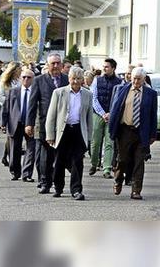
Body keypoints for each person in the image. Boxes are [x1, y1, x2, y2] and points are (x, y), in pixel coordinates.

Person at [109, 67, 158, 200]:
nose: (136, 81)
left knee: (139, 162)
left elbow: (153, 115)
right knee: (123, 160)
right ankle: (118, 180)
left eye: (139, 79)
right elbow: (114, 110)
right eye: (134, 78)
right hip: (125, 131)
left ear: (144, 79)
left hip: (142, 132)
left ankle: (136, 190)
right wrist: (112, 129)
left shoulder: (151, 94)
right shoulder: (121, 90)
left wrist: (153, 134)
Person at [45, 67, 93, 201]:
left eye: (78, 79)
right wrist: (50, 135)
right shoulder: (59, 93)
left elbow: (89, 117)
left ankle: (76, 190)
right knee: (59, 160)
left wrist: (89, 137)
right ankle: (58, 188)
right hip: (63, 130)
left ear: (82, 80)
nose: (75, 82)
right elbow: (51, 115)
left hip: (78, 130)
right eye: (73, 79)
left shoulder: (88, 94)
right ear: (69, 79)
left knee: (78, 161)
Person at [26, 53, 69, 194]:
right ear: (48, 65)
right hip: (45, 124)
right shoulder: (39, 81)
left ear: (62, 65)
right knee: (45, 157)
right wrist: (29, 124)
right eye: (53, 63)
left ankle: (58, 185)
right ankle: (45, 182)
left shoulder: (67, 80)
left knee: (60, 156)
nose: (56, 66)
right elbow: (32, 104)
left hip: (63, 124)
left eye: (58, 63)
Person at [1, 68, 37, 181]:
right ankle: (15, 172)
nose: (26, 79)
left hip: (30, 124)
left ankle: (27, 174)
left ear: (33, 79)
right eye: (24, 77)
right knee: (14, 149)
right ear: (20, 78)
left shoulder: (36, 92)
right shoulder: (12, 91)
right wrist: (3, 123)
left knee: (31, 149)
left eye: (29, 77)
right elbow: (5, 108)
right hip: (15, 123)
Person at [89, 58, 123, 178]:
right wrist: (103, 113)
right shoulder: (97, 80)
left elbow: (119, 100)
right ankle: (94, 163)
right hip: (98, 115)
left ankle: (107, 168)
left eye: (107, 67)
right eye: (104, 66)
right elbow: (93, 98)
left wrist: (111, 113)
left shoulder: (120, 82)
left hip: (112, 116)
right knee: (95, 142)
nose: (104, 68)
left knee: (109, 143)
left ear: (113, 68)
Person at [0, 61, 22, 167]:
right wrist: (9, 103)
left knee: (12, 137)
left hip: (19, 111)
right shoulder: (4, 82)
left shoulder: (20, 81)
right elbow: (0, 96)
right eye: (19, 68)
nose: (21, 70)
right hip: (8, 111)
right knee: (10, 135)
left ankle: (5, 156)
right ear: (14, 70)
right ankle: (6, 156)